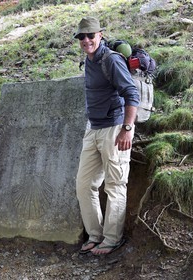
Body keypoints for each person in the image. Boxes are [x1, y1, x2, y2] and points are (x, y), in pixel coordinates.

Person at [73, 17, 140, 255]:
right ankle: (95, 234)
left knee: (115, 185)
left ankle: (112, 238)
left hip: (115, 127)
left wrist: (127, 129)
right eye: (82, 37)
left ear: (100, 35)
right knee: (84, 185)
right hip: (93, 128)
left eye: (90, 35)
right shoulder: (89, 60)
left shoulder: (111, 60)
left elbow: (131, 93)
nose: (86, 40)